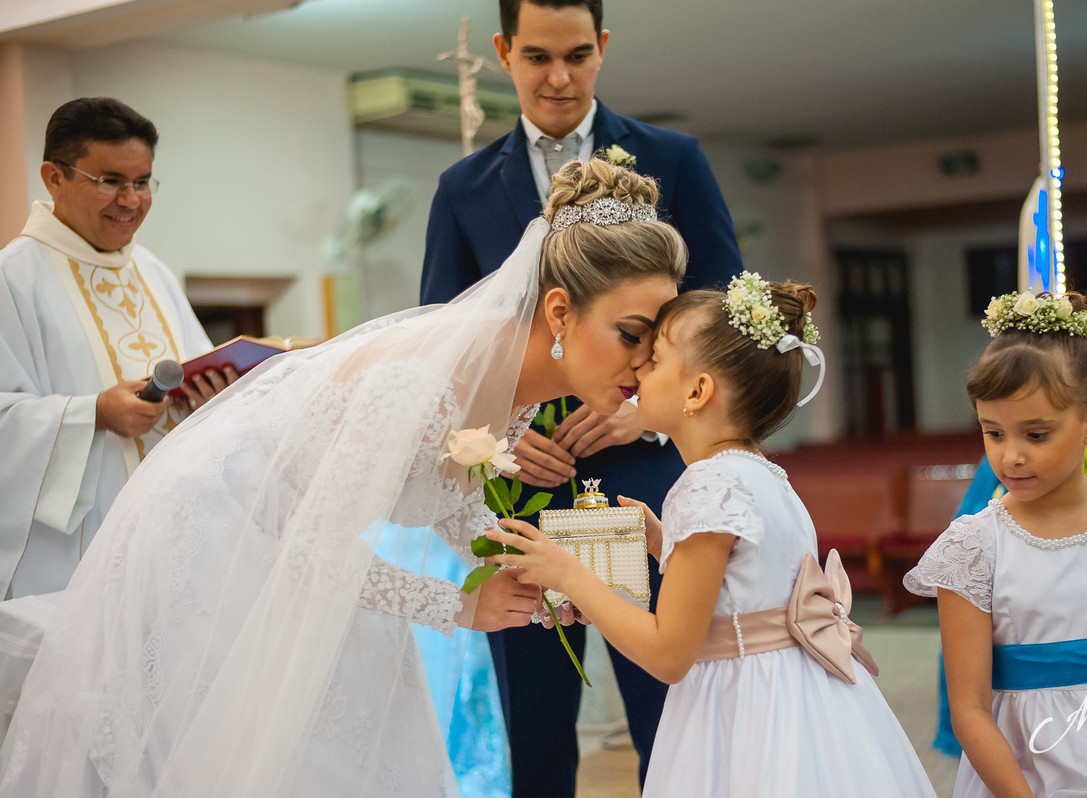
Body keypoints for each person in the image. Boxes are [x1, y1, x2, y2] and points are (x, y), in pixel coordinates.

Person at [0, 157, 687, 797]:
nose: (645, 361)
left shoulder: (518, 380)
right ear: (562, 312)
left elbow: (447, 491)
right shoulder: (419, 381)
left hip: (312, 551)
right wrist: (459, 605)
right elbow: (309, 548)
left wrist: (521, 566)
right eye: (632, 334)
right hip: (227, 537)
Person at [420, 2, 742, 791]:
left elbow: (722, 317)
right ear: (503, 52)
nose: (558, 77)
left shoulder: (674, 158)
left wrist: (643, 411)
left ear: (602, 48)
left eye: (575, 55)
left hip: (647, 483)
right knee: (533, 724)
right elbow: (446, 341)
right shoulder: (463, 187)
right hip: (521, 490)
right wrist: (497, 442)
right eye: (536, 57)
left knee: (672, 701)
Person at [487, 273, 938, 797]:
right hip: (800, 696)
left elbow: (668, 654)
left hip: (744, 707)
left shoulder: (706, 486)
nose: (638, 367)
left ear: (698, 392)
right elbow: (746, 581)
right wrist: (662, 544)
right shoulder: (762, 473)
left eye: (654, 360)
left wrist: (572, 575)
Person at [905, 291, 1087, 796]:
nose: (1011, 456)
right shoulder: (974, 547)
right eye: (993, 433)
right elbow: (970, 710)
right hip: (1029, 770)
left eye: (1036, 435)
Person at [0, 97, 235, 601]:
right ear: (53, 177)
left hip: (173, 537)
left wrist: (214, 396)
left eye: (143, 182)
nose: (131, 200)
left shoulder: (152, 271)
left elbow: (195, 377)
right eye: (110, 181)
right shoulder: (11, 279)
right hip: (70, 560)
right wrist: (95, 415)